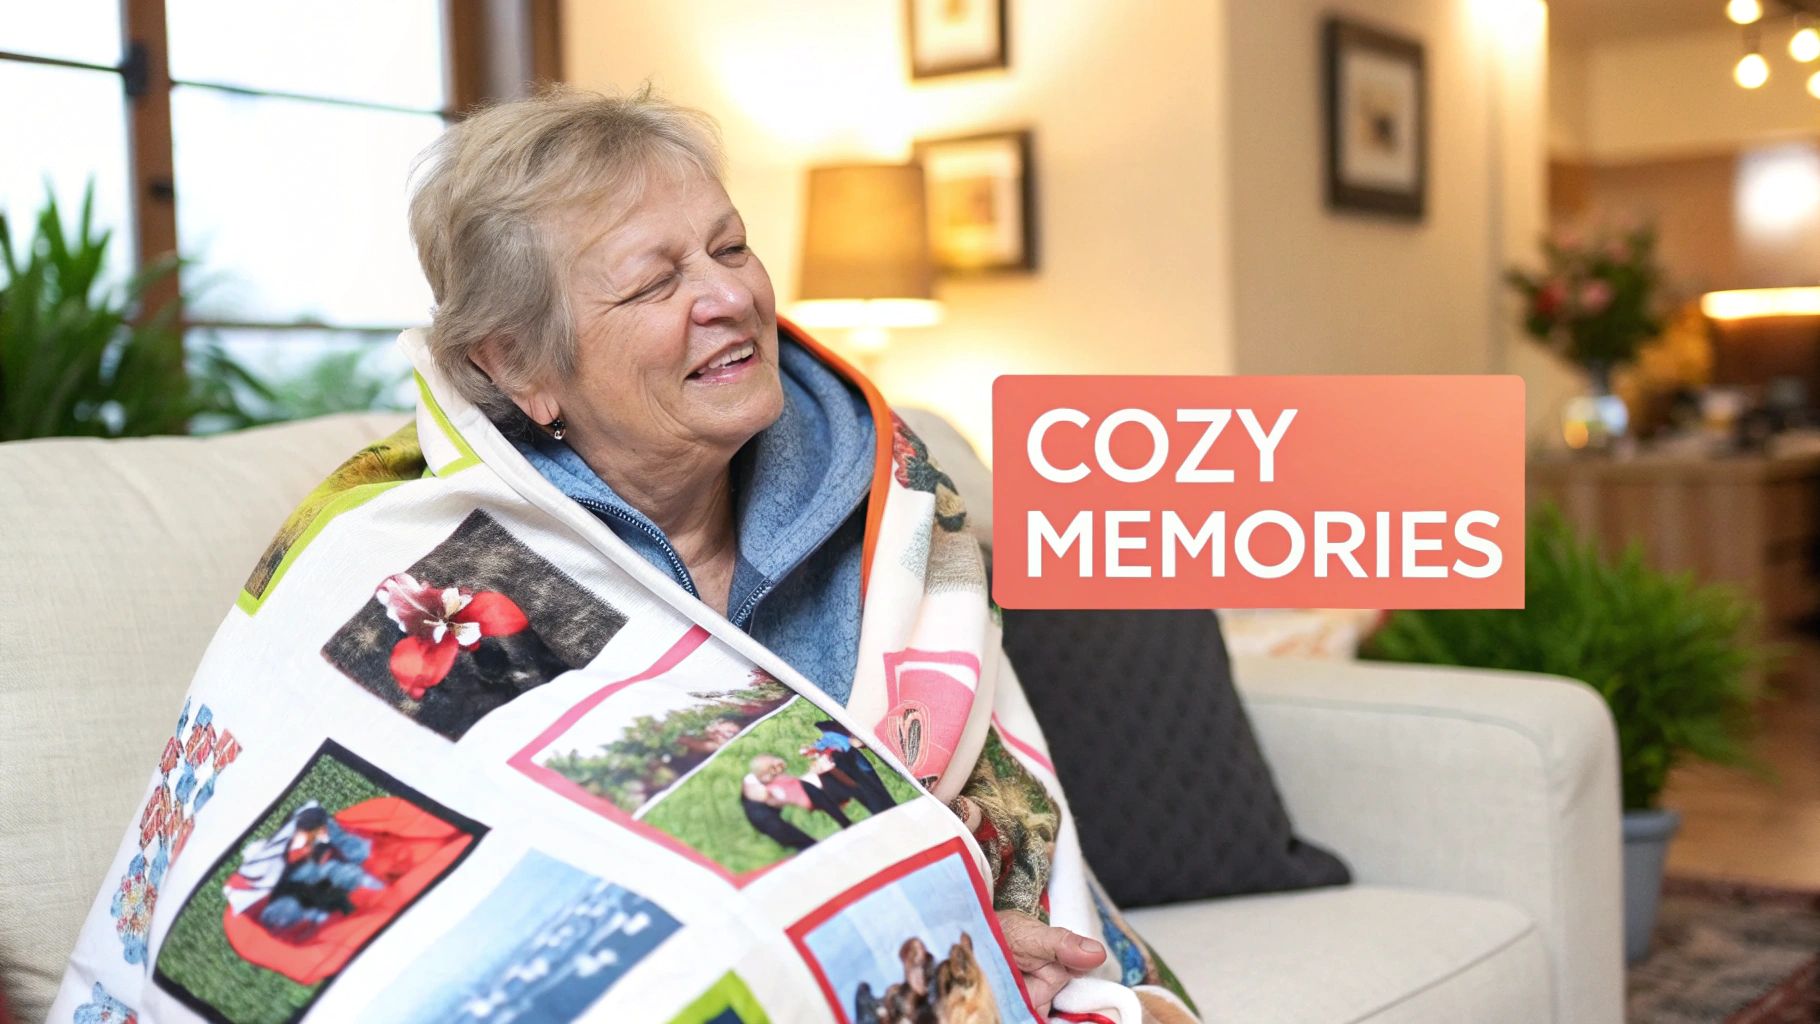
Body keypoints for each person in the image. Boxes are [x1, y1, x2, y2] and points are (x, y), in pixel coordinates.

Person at [406, 85, 1132, 1014]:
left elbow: (1007, 830)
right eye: (655, 280)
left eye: (731, 245)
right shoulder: (441, 584)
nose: (731, 296)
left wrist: (985, 926)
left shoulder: (893, 504)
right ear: (519, 366)